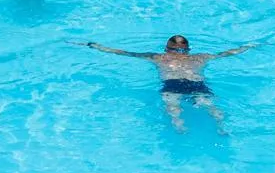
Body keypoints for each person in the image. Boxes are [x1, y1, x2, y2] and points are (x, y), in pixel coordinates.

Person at [86, 35, 254, 133]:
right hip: (197, 84)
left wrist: (97, 46)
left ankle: (179, 125)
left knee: (173, 108)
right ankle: (221, 126)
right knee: (211, 107)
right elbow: (227, 53)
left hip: (172, 84)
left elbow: (125, 53)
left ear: (167, 48)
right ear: (188, 49)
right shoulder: (201, 57)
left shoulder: (158, 57)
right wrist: (248, 46)